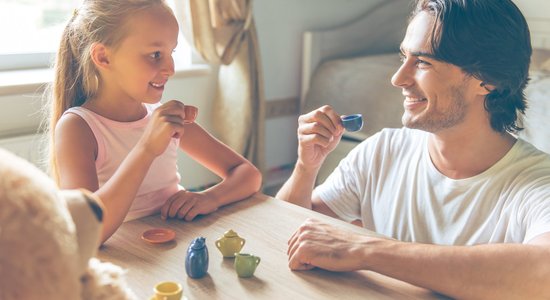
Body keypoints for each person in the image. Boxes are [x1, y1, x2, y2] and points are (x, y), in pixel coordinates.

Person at [277, 0, 550, 298]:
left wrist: (365, 250)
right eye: (403, 57)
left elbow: (543, 272)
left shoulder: (538, 184)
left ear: (488, 79)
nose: (398, 79)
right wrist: (306, 168)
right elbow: (290, 234)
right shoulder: (382, 151)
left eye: (422, 62)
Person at [45, 0, 262, 244]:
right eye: (155, 55)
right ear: (103, 57)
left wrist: (208, 198)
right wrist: (147, 148)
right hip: (125, 264)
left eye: (172, 53)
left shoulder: (165, 118)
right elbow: (85, 232)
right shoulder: (78, 127)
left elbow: (248, 175)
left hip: (173, 248)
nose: (170, 68)